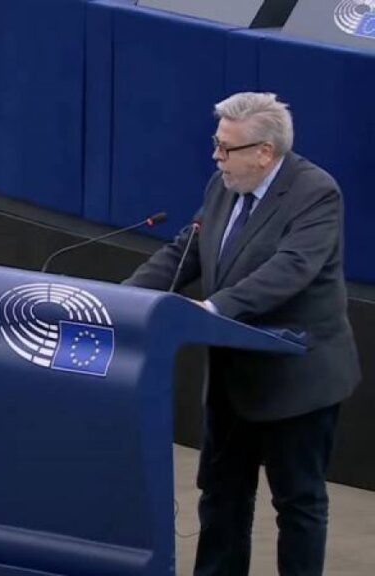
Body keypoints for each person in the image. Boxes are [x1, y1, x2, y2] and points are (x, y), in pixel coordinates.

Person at [123, 92, 361, 576]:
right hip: (233, 376)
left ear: (264, 152)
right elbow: (185, 252)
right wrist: (122, 299)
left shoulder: (316, 193)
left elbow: (290, 269)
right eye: (216, 143)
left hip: (297, 379)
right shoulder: (225, 184)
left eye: (225, 147)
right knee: (222, 495)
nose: (216, 155)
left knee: (298, 504)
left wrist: (214, 308)